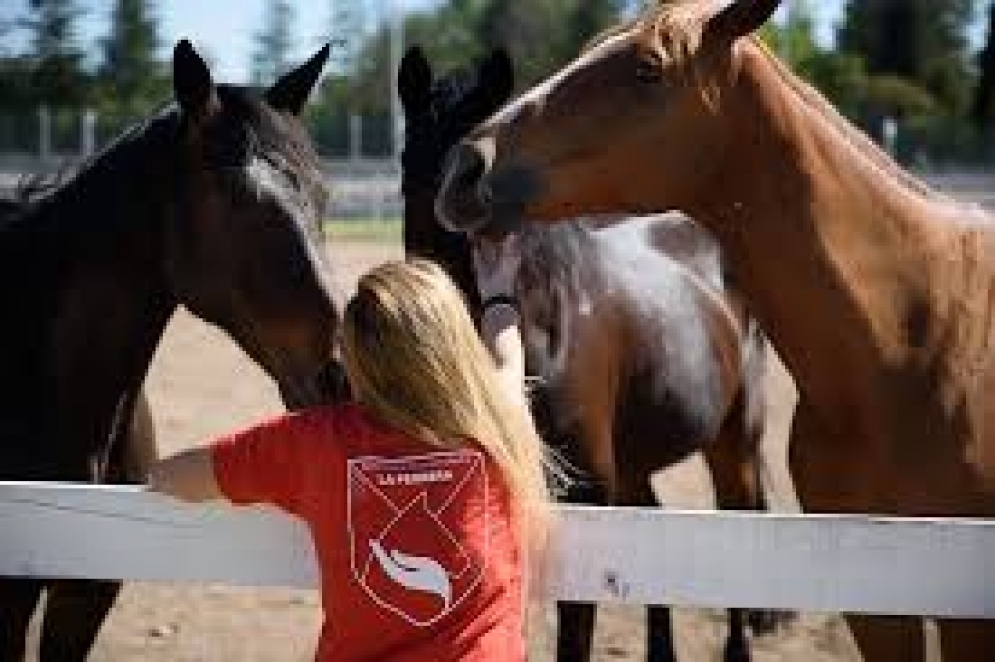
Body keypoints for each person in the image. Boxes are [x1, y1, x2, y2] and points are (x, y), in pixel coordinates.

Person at [146, 239, 552, 661]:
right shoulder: (493, 422)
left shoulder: (312, 442)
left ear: (355, 358)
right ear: (454, 346)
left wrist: (150, 473)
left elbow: (182, 477)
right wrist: (499, 293)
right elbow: (507, 359)